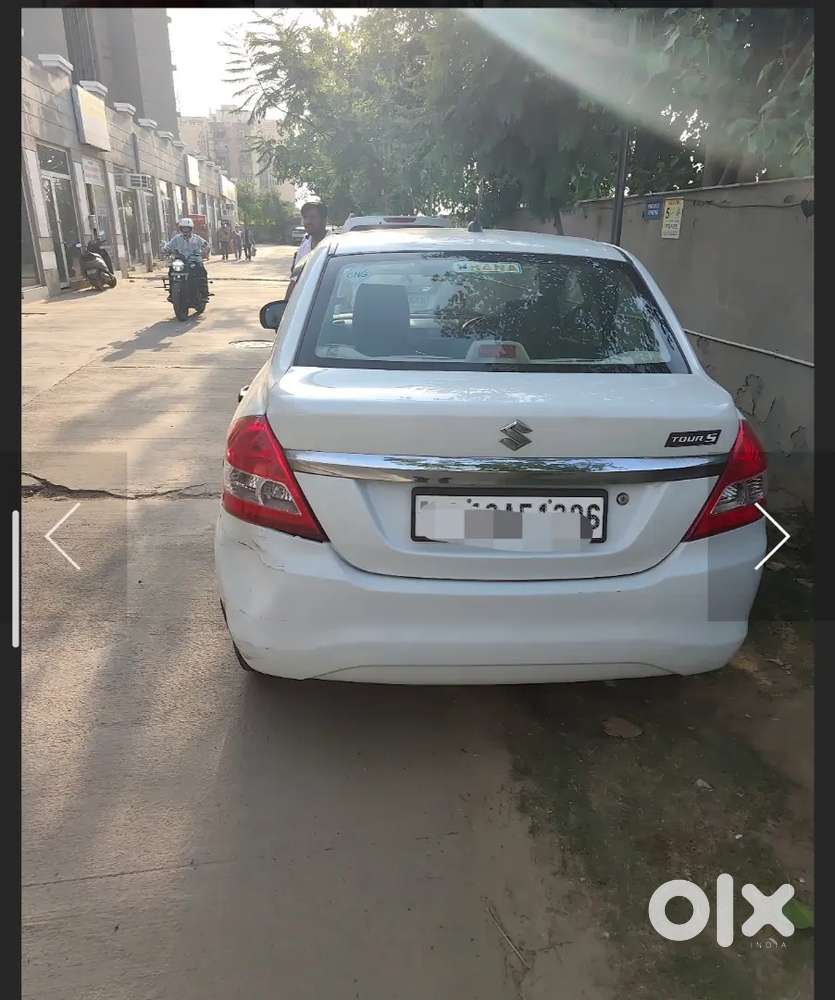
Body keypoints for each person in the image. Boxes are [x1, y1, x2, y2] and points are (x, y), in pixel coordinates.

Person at [162, 217, 209, 300]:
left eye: (187, 228)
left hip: (194, 260)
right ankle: (171, 293)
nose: (185, 230)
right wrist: (166, 250)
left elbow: (205, 245)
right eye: (183, 228)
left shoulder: (196, 238)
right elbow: (169, 246)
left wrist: (205, 250)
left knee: (201, 271)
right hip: (181, 260)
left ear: (191, 229)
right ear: (181, 229)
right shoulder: (177, 238)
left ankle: (204, 293)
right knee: (172, 270)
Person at [293, 199, 328, 269]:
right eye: (305, 217)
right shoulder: (303, 248)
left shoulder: (334, 245)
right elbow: (295, 277)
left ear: (324, 220)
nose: (308, 221)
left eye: (313, 217)